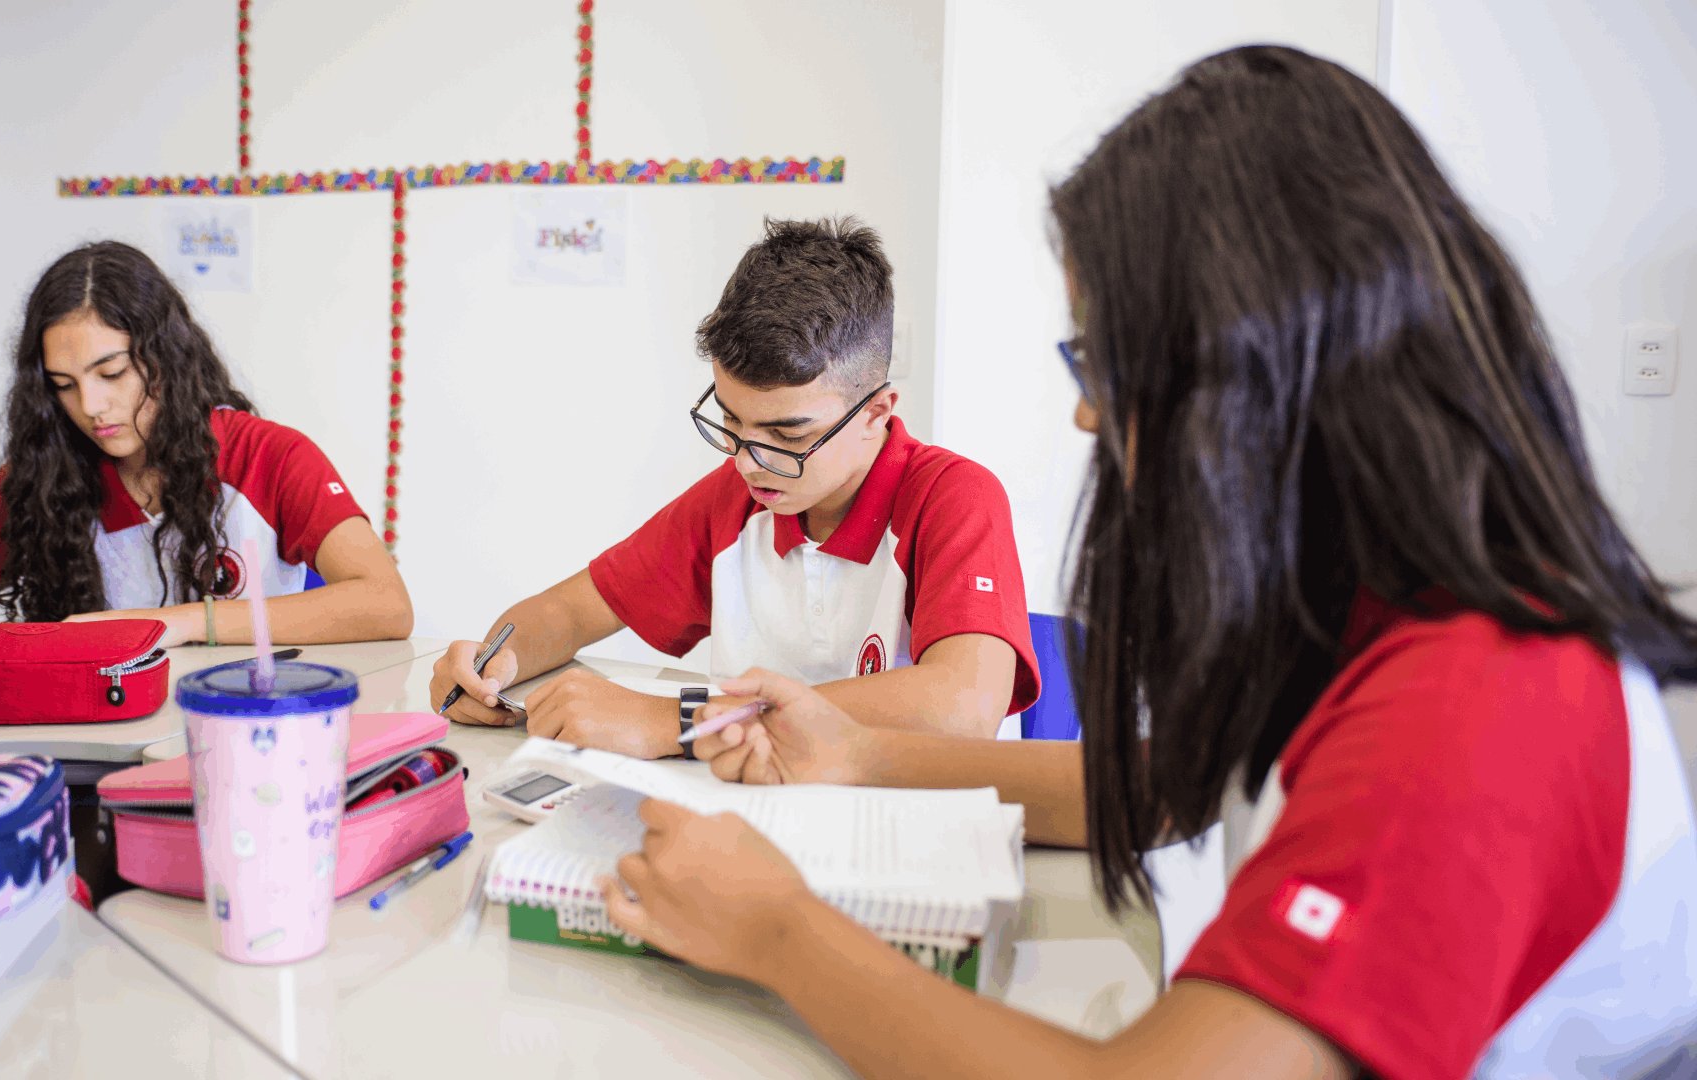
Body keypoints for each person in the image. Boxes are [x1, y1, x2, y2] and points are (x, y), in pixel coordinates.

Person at [603, 47, 1697, 1077]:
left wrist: (781, 932)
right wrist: (854, 753)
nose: (1087, 413)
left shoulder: (1473, 697)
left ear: (1256, 362)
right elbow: (1164, 785)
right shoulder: (1365, 593)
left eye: (1106, 359)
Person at [429, 217, 1039, 758]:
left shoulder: (953, 496)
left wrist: (683, 722)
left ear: (876, 412)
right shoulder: (738, 500)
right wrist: (491, 666)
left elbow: (964, 707)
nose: (750, 462)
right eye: (731, 421)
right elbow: (568, 611)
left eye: (788, 433)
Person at [0, 241, 412, 647]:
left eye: (111, 373)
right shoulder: (43, 475)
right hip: (99, 752)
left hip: (246, 734)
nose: (90, 406)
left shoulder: (268, 455)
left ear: (166, 357)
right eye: (63, 385)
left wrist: (180, 623)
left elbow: (386, 604)